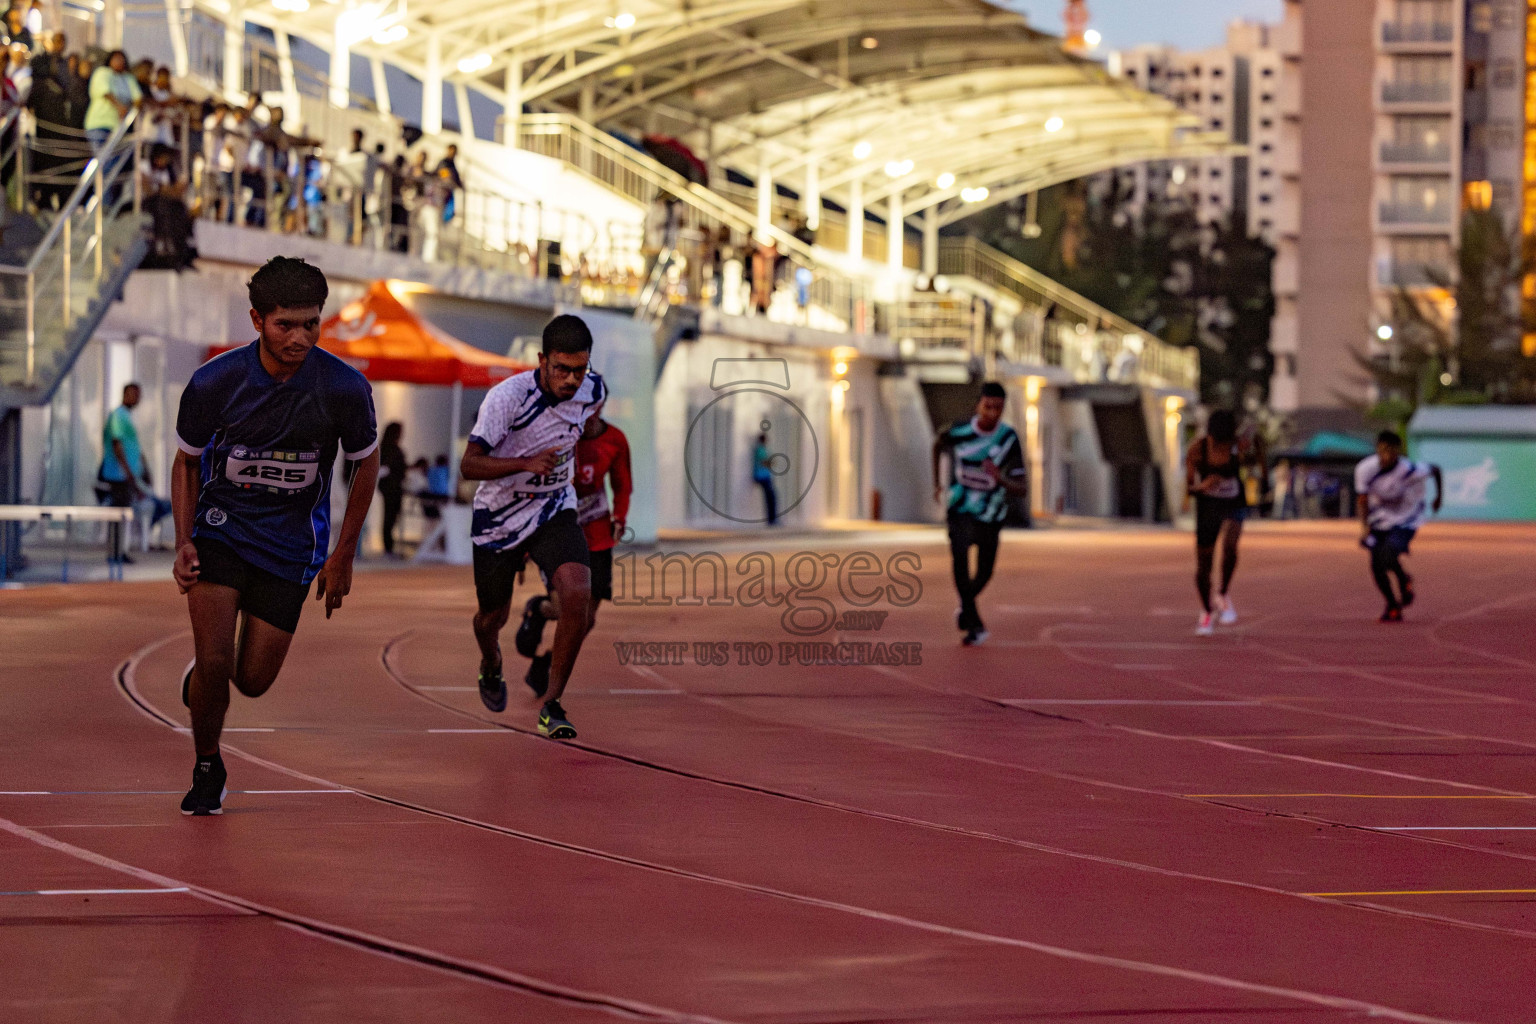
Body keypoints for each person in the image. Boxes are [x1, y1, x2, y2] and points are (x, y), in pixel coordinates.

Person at [171, 257, 379, 815]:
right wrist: (183, 540)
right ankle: (208, 765)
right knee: (215, 660)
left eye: (311, 323)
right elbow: (187, 462)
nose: (300, 337)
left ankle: (206, 679)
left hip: (291, 544)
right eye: (286, 324)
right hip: (221, 529)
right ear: (257, 320)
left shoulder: (343, 388)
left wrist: (345, 552)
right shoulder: (216, 382)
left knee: (253, 681)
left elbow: (366, 462)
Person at [461, 314, 606, 740]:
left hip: (553, 508)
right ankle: (491, 662)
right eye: (561, 369)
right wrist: (525, 462)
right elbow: (470, 464)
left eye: (580, 369)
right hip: (499, 517)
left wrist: (589, 433)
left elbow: (589, 418)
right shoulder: (507, 399)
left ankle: (552, 703)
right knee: (492, 618)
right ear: (542, 361)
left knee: (579, 592)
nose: (571, 380)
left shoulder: (592, 390)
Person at [514, 398, 631, 693]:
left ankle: (549, 663)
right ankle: (540, 609)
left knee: (586, 619)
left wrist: (619, 516)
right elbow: (530, 486)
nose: (588, 418)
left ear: (601, 407)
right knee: (564, 608)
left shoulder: (615, 439)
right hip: (559, 532)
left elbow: (622, 483)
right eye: (582, 411)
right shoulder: (557, 437)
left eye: (594, 411)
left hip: (597, 535)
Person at [932, 381, 1027, 645]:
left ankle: (966, 606)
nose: (993, 413)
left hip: (991, 514)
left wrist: (1001, 479)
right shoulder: (959, 431)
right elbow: (937, 445)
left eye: (998, 408)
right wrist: (938, 483)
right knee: (960, 560)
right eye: (988, 406)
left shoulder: (1008, 439)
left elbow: (1022, 488)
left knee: (984, 572)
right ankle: (974, 624)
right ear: (978, 405)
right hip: (960, 507)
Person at [1185, 409, 1266, 636]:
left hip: (1233, 502)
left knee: (1230, 545)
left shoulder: (1237, 447)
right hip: (1208, 506)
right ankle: (1206, 609)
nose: (1221, 446)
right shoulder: (1197, 450)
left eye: (1225, 442)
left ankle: (1223, 592)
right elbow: (1189, 487)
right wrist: (1203, 485)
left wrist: (1253, 447)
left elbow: (1257, 459)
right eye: (1217, 442)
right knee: (1204, 564)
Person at [1355, 430, 1442, 622]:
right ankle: (1392, 605)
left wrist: (1438, 498)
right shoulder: (1364, 469)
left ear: (1398, 452)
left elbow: (1436, 470)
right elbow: (1362, 499)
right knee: (1377, 566)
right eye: (1383, 450)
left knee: (1388, 555)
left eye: (1392, 451)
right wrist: (1363, 526)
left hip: (1406, 519)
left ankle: (1403, 580)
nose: (1387, 455)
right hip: (1378, 520)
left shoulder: (1410, 469)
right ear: (1377, 449)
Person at [99, 382, 148, 563]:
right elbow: (117, 446)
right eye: (133, 394)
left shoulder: (126, 416)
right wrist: (128, 472)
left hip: (126, 474)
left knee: (122, 514)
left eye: (138, 394)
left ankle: (119, 550)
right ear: (125, 394)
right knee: (117, 514)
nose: (136, 398)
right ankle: (115, 552)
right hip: (118, 475)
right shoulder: (118, 416)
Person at [84, 49, 138, 155]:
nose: (119, 62)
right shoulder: (102, 72)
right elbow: (105, 92)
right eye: (116, 59)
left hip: (119, 127)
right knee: (103, 160)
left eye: (122, 59)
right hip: (99, 124)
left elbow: (137, 97)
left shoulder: (128, 78)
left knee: (114, 160)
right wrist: (119, 107)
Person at [377, 421, 406, 557]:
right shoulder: (390, 449)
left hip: (392, 488)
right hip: (391, 488)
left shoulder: (388, 448)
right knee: (389, 517)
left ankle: (389, 546)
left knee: (391, 517)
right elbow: (386, 468)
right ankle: (388, 547)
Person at [752, 432, 778, 525]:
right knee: (771, 498)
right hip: (762, 477)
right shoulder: (760, 449)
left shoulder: (762, 449)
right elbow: (763, 462)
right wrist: (771, 462)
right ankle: (772, 520)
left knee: (771, 498)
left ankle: (772, 519)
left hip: (765, 476)